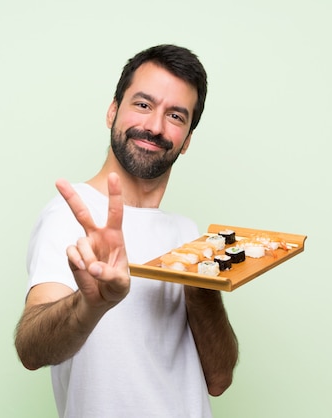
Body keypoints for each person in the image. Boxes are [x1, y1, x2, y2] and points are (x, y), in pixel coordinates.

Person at [15, 44, 239, 417]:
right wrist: (91, 304)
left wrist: (202, 289)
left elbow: (218, 379)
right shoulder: (71, 215)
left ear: (187, 141)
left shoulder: (188, 233)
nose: (155, 126)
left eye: (176, 116)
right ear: (112, 111)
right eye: (143, 105)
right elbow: (30, 349)